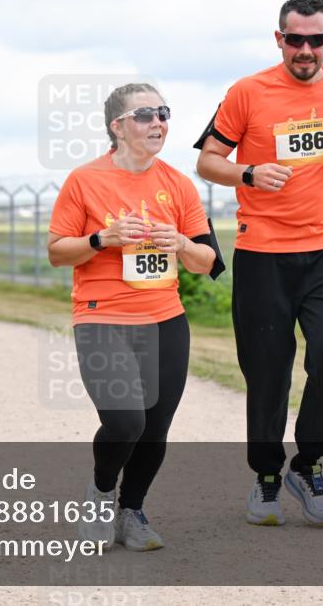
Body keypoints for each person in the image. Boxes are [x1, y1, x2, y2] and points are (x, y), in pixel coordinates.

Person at [194, 0, 323, 526]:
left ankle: (308, 464)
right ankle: (267, 476)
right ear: (279, 40)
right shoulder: (248, 92)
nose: (305, 49)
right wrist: (248, 174)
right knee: (268, 374)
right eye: (294, 39)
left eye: (315, 40)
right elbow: (207, 160)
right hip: (262, 254)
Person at [48, 83, 218, 551]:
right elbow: (58, 253)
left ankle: (133, 510)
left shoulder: (178, 184)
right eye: (144, 115)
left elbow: (208, 262)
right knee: (126, 422)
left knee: (156, 427)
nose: (158, 122)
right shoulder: (84, 180)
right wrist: (102, 239)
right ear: (117, 127)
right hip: (102, 318)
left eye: (163, 113)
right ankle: (102, 492)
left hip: (165, 320)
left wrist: (181, 244)